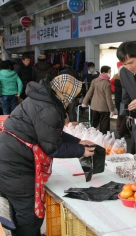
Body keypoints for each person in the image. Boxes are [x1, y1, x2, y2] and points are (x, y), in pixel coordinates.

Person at [0, 73, 95, 236]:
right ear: (65, 93)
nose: (72, 99)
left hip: (8, 156)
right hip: (16, 165)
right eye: (73, 94)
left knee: (19, 211)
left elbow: (49, 133)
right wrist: (81, 151)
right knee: (29, 216)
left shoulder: (41, 100)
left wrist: (78, 142)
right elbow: (52, 148)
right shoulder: (48, 109)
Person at [82, 65, 114, 134]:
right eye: (109, 72)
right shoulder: (107, 83)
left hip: (94, 106)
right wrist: (111, 109)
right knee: (104, 125)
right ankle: (103, 138)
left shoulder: (94, 81)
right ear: (104, 72)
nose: (110, 73)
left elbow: (89, 92)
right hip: (104, 107)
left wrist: (84, 102)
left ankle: (90, 135)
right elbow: (108, 98)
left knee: (94, 123)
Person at [114, 62, 130, 139]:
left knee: (120, 116)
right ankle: (121, 133)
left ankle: (120, 129)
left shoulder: (115, 80)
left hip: (118, 101)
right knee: (124, 117)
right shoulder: (124, 81)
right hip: (123, 101)